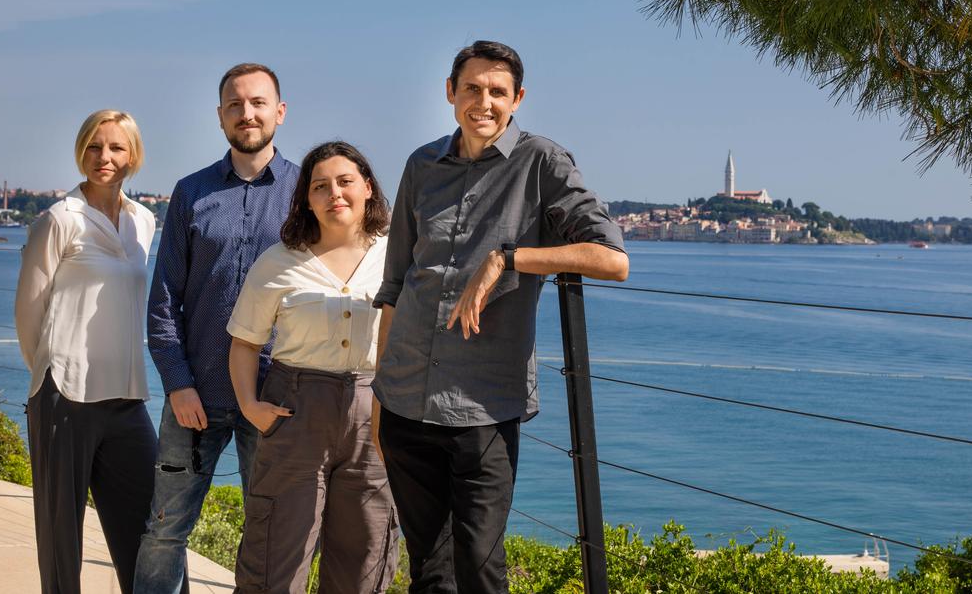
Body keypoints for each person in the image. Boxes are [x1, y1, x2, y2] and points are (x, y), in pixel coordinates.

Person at [373, 40, 629, 594]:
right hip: (404, 399)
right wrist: (380, 394)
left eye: (497, 91)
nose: (483, 102)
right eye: (472, 88)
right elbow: (395, 286)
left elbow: (613, 259)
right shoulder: (421, 165)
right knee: (428, 571)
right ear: (450, 92)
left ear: (518, 99)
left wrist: (506, 259)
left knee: (481, 569)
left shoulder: (542, 162)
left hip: (484, 408)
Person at [134, 63, 299, 594]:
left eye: (258, 103)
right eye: (235, 105)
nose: (246, 113)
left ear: (279, 111)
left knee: (271, 535)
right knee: (164, 531)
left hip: (274, 398)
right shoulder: (190, 192)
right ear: (220, 116)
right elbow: (164, 300)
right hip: (196, 394)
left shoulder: (307, 191)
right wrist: (177, 384)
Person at [227, 140, 399, 593]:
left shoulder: (397, 256)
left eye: (345, 181)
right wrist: (250, 407)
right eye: (320, 186)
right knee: (275, 558)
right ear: (306, 198)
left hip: (376, 418)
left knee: (365, 556)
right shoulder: (279, 261)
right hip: (295, 414)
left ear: (367, 187)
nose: (334, 193)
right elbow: (244, 343)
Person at [15, 109, 158, 594]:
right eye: (94, 146)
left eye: (116, 147)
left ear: (133, 155)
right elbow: (29, 313)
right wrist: (50, 377)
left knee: (150, 536)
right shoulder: (59, 219)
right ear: (81, 151)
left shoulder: (144, 221)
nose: (104, 157)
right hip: (65, 396)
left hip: (127, 397)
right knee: (61, 543)